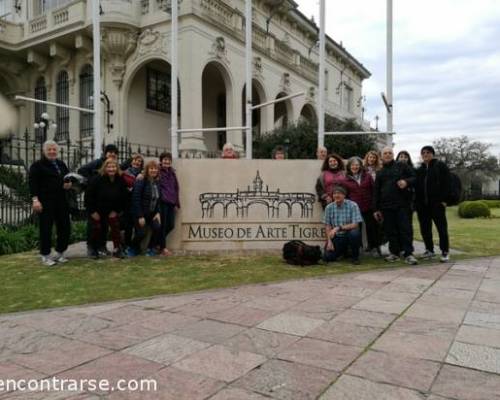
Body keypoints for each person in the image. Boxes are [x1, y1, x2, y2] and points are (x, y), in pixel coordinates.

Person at [28, 140, 72, 266]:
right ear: (44, 151)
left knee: (65, 227)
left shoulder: (61, 164)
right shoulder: (37, 165)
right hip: (45, 202)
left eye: (54, 149)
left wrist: (68, 184)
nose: (52, 152)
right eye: (49, 149)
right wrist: (35, 200)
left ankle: (60, 252)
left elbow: (67, 178)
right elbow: (32, 184)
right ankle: (45, 255)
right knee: (46, 229)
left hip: (61, 200)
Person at [373, 147, 418, 265]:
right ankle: (394, 253)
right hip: (386, 206)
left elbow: (415, 178)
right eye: (385, 153)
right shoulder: (380, 172)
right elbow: (376, 191)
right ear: (381, 156)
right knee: (390, 231)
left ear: (393, 155)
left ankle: (408, 254)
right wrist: (376, 209)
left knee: (405, 230)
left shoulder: (402, 166)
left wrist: (406, 182)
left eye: (390, 153)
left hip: (402, 205)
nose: (387, 155)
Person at [78, 144, 119, 257]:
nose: (112, 154)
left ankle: (102, 247)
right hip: (94, 203)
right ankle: (91, 248)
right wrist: (91, 180)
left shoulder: (114, 166)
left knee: (104, 227)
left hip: (106, 204)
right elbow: (81, 170)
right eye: (110, 152)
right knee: (93, 227)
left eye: (115, 153)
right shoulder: (97, 163)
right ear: (105, 153)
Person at [85, 158, 129, 258]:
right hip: (96, 210)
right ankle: (93, 249)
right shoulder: (97, 179)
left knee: (115, 227)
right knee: (95, 229)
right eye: (109, 167)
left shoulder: (120, 180)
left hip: (111, 211)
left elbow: (124, 197)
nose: (111, 169)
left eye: (113, 167)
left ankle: (117, 249)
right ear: (105, 168)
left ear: (117, 168)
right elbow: (88, 196)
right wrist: (92, 211)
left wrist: (116, 211)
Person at [415, 145, 452, 262]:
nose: (425, 155)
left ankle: (445, 251)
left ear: (432, 154)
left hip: (437, 204)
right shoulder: (420, 170)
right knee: (425, 229)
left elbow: (448, 183)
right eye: (423, 153)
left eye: (428, 152)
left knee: (441, 229)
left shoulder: (440, 166)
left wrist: (445, 200)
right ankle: (429, 250)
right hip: (423, 206)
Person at [343, 156, 381, 257]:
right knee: (356, 230)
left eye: (357, 165)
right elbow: (345, 195)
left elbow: (374, 191)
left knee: (372, 228)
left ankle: (374, 248)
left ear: (360, 166)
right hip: (354, 209)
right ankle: (358, 248)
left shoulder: (367, 176)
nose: (355, 167)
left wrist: (375, 206)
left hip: (369, 207)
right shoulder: (345, 180)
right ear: (349, 167)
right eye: (353, 165)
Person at [323, 185, 363, 265]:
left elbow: (355, 224)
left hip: (349, 235)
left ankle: (355, 257)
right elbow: (327, 226)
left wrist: (338, 228)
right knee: (327, 257)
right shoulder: (329, 207)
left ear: (344, 195)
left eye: (339, 193)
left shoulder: (353, 205)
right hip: (337, 237)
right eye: (335, 193)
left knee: (354, 233)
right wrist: (329, 241)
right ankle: (343, 252)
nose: (337, 195)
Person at [129, 160, 163, 256]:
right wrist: (140, 216)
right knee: (141, 233)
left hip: (152, 213)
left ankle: (150, 248)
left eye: (155, 168)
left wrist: (158, 212)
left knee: (157, 227)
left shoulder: (157, 182)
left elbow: (158, 200)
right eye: (151, 168)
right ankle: (132, 248)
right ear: (147, 170)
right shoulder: (141, 180)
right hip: (141, 213)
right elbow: (136, 198)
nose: (153, 170)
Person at [158, 152, 180, 256]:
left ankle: (157, 243)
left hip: (171, 203)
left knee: (171, 225)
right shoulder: (158, 172)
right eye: (165, 159)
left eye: (168, 160)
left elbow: (176, 188)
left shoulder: (172, 173)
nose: (166, 161)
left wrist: (176, 203)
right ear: (161, 161)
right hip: (162, 202)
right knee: (163, 225)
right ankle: (163, 248)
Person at [122, 154, 144, 250]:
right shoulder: (125, 173)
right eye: (135, 160)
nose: (137, 162)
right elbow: (121, 187)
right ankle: (127, 245)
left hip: (138, 204)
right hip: (127, 203)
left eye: (139, 161)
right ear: (131, 161)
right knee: (128, 227)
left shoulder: (143, 174)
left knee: (138, 228)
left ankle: (135, 246)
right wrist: (127, 189)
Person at [396, 150, 416, 241]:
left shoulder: (412, 169)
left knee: (407, 225)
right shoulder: (394, 169)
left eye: (405, 157)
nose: (403, 158)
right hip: (395, 201)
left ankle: (408, 246)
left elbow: (415, 180)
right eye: (401, 156)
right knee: (397, 225)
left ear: (408, 159)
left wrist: (406, 182)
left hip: (407, 201)